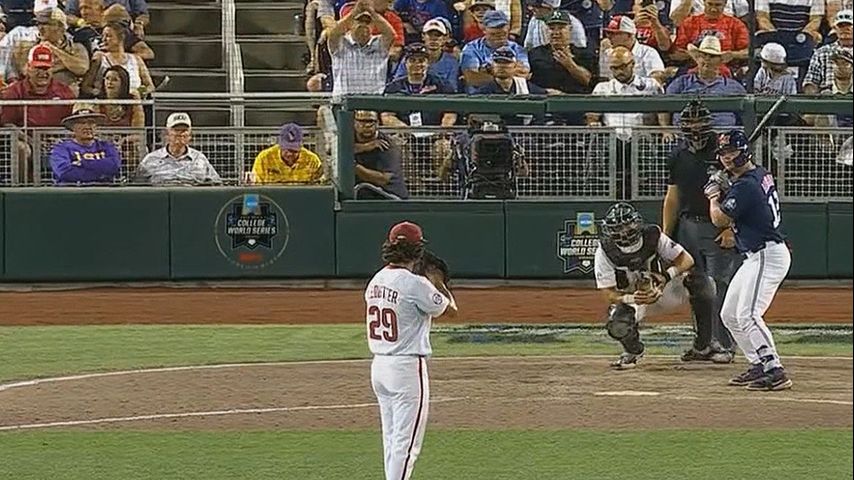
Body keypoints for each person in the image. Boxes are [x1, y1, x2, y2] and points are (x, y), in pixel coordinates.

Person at [365, 220, 457, 480]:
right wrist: (437, 282)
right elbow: (450, 312)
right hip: (406, 369)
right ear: (418, 251)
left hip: (379, 367)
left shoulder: (376, 280)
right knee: (407, 445)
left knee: (392, 439)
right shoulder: (415, 284)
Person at [705, 130, 793, 391]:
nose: (726, 158)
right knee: (729, 314)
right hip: (756, 255)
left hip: (767, 254)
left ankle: (774, 369)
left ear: (745, 151)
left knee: (748, 315)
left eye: (731, 152)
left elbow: (719, 219)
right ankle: (758, 363)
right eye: (723, 153)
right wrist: (728, 184)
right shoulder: (759, 173)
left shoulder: (746, 185)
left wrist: (713, 195)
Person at [662, 99, 739, 364]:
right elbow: (672, 198)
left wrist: (730, 227)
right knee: (696, 288)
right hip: (688, 226)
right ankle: (703, 344)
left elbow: (738, 193)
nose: (694, 128)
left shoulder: (723, 152)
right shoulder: (677, 155)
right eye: (690, 123)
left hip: (718, 227)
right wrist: (666, 234)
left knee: (720, 287)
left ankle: (725, 345)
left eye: (699, 122)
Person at [594, 202, 697, 370]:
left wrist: (666, 276)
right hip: (634, 300)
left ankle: (704, 346)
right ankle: (633, 351)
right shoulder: (605, 250)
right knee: (617, 324)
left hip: (663, 290)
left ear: (636, 223)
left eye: (626, 226)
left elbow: (687, 260)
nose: (623, 232)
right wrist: (631, 298)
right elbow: (607, 293)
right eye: (618, 228)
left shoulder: (652, 234)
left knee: (704, 285)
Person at [135, 112, 221, 185]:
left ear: (190, 135)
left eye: (184, 130)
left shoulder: (199, 158)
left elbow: (217, 184)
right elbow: (137, 187)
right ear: (167, 134)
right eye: (176, 130)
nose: (180, 134)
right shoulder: (150, 159)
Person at [49, 103, 121, 184]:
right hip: (72, 192)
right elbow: (65, 173)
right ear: (73, 127)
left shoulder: (106, 146)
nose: (87, 127)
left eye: (91, 122)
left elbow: (114, 166)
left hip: (103, 191)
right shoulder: (61, 148)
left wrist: (83, 163)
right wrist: (102, 175)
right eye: (82, 123)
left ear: (96, 126)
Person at [354, 109, 409, 199]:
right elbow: (333, 149)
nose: (367, 125)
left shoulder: (388, 145)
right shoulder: (348, 138)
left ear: (378, 123)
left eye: (371, 121)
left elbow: (383, 179)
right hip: (363, 193)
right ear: (354, 123)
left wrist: (354, 167)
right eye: (362, 121)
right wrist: (364, 147)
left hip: (390, 197)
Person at [249, 122, 325, 184]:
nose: (289, 154)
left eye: (294, 150)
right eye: (286, 149)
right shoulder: (264, 158)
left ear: (301, 146)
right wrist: (251, 182)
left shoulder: (312, 161)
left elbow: (318, 188)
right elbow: (257, 186)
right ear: (280, 145)